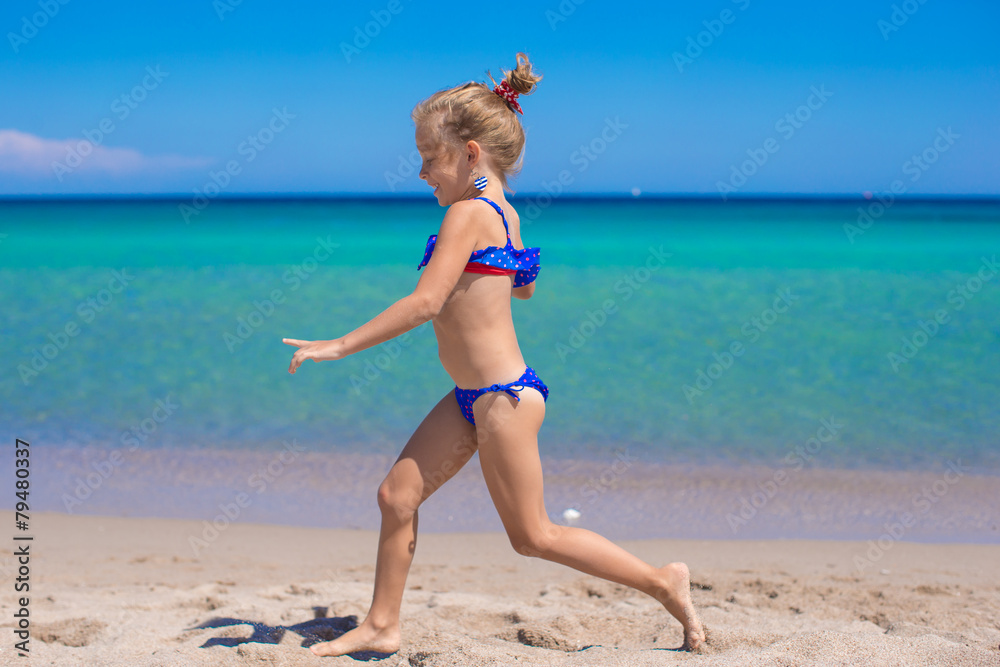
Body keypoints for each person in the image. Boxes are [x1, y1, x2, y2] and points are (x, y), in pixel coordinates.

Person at [282, 52, 705, 657]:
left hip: (502, 399)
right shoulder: (502, 212)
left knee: (533, 536)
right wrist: (498, 226)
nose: (423, 171)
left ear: (470, 153)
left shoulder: (467, 212)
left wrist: (341, 343)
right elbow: (524, 286)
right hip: (471, 398)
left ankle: (664, 581)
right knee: (395, 496)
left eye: (431, 157)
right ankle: (381, 626)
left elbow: (427, 302)